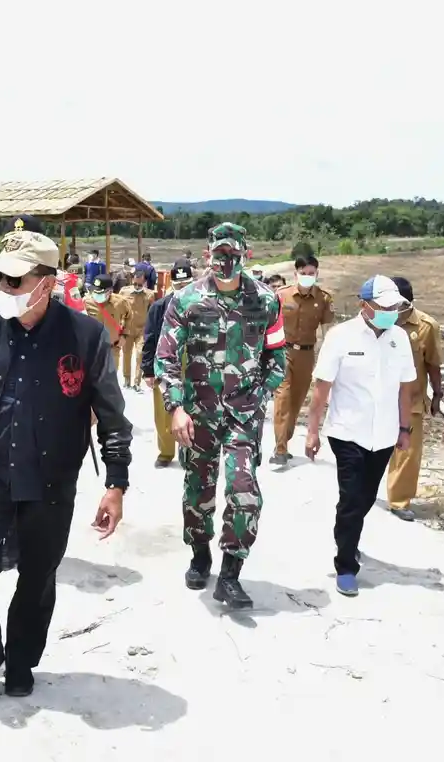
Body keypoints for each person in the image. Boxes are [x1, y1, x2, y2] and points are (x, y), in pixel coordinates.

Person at [0, 218, 131, 705]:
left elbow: (111, 415)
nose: (1, 287)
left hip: (51, 482)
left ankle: (20, 662)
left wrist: (116, 483)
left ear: (47, 283)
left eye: (13, 280)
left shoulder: (85, 336)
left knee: (37, 581)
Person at [155, 223, 285, 610]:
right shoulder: (186, 300)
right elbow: (165, 359)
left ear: (246, 255)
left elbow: (277, 360)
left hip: (244, 416)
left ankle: (230, 573)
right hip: (197, 414)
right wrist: (176, 407)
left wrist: (258, 396)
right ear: (207, 254)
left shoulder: (266, 301)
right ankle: (200, 554)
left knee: (244, 490)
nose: (226, 261)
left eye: (234, 254)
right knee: (198, 491)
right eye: (219, 254)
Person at [304, 276, 417, 597]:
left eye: (394, 307)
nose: (390, 312)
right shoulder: (341, 337)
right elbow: (321, 389)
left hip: (383, 435)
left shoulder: (400, 339)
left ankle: (345, 533)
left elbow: (405, 389)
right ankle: (346, 565)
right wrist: (312, 432)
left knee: (365, 498)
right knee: (353, 498)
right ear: (364, 305)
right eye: (383, 307)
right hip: (347, 432)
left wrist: (404, 429)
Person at [385, 276, 443, 521]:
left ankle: (399, 501)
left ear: (407, 302)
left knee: (407, 452)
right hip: (378, 397)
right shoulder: (377, 321)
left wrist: (437, 395)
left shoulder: (426, 326)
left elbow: (433, 364)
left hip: (412, 399)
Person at [269, 255, 334, 470]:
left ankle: (284, 441)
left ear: (317, 274)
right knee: (283, 396)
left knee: (296, 401)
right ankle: (279, 449)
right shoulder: (281, 296)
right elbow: (268, 325)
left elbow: (327, 331)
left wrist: (329, 357)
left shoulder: (323, 299)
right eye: (303, 273)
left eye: (311, 273)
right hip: (283, 351)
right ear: (295, 274)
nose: (307, 277)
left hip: (307, 354)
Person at [141, 258, 194, 468]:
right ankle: (165, 452)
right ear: (172, 283)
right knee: (164, 408)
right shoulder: (159, 307)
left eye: (186, 284)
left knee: (193, 407)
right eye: (179, 285)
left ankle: (190, 450)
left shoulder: (204, 305)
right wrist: (147, 369)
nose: (182, 289)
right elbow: (150, 338)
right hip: (165, 362)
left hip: (193, 361)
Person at [118, 268, 154, 390]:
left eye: (140, 284)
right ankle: (127, 379)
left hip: (141, 329)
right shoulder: (124, 292)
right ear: (132, 280)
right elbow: (118, 307)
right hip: (127, 329)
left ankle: (137, 382)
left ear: (144, 283)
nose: (137, 287)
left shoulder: (149, 294)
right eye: (135, 284)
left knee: (140, 355)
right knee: (126, 354)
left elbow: (152, 310)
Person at [84, 274, 128, 350]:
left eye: (99, 292)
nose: (95, 294)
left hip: (113, 349)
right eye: (94, 291)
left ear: (110, 291)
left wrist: (124, 335)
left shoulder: (120, 302)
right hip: (93, 349)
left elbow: (129, 317)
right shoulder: (86, 302)